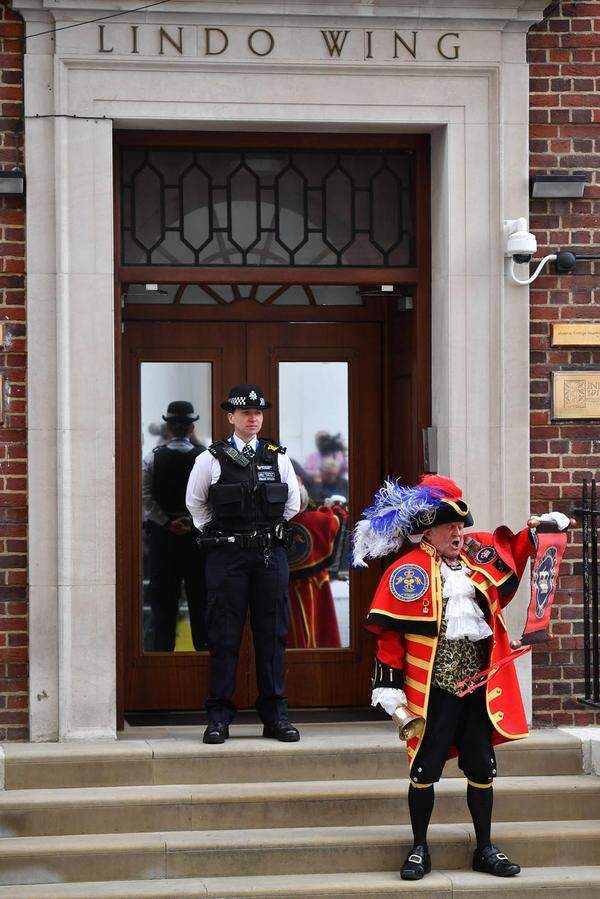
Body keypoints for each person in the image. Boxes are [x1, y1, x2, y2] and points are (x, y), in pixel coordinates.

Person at [353, 474, 570, 882]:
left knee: (482, 766)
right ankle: (419, 848)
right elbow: (389, 638)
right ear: (427, 532)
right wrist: (388, 688)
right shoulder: (407, 572)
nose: (458, 533)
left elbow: (513, 552)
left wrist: (540, 530)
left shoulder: (474, 564)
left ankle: (484, 848)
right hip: (432, 691)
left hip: (481, 689)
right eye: (448, 527)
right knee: (424, 769)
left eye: (460, 526)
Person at [186, 384, 301, 744]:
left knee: (273, 636)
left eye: (258, 413)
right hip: (227, 556)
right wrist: (224, 535)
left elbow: (292, 504)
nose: (253, 418)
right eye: (246, 413)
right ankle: (218, 717)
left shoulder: (277, 457)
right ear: (231, 417)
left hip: (269, 555)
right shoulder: (210, 459)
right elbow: (196, 505)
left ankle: (276, 717)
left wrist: (264, 533)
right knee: (223, 636)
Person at [142, 401, 207, 652]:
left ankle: (162, 658)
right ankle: (203, 658)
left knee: (164, 609)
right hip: (196, 541)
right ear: (192, 427)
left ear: (168, 428)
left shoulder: (152, 457)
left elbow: (145, 499)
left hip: (163, 541)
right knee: (200, 604)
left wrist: (168, 522)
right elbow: (211, 497)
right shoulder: (205, 457)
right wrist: (191, 521)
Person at [286, 481, 345, 649]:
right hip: (313, 588)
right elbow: (336, 518)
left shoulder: (266, 526)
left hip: (278, 588)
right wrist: (334, 507)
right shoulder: (318, 521)